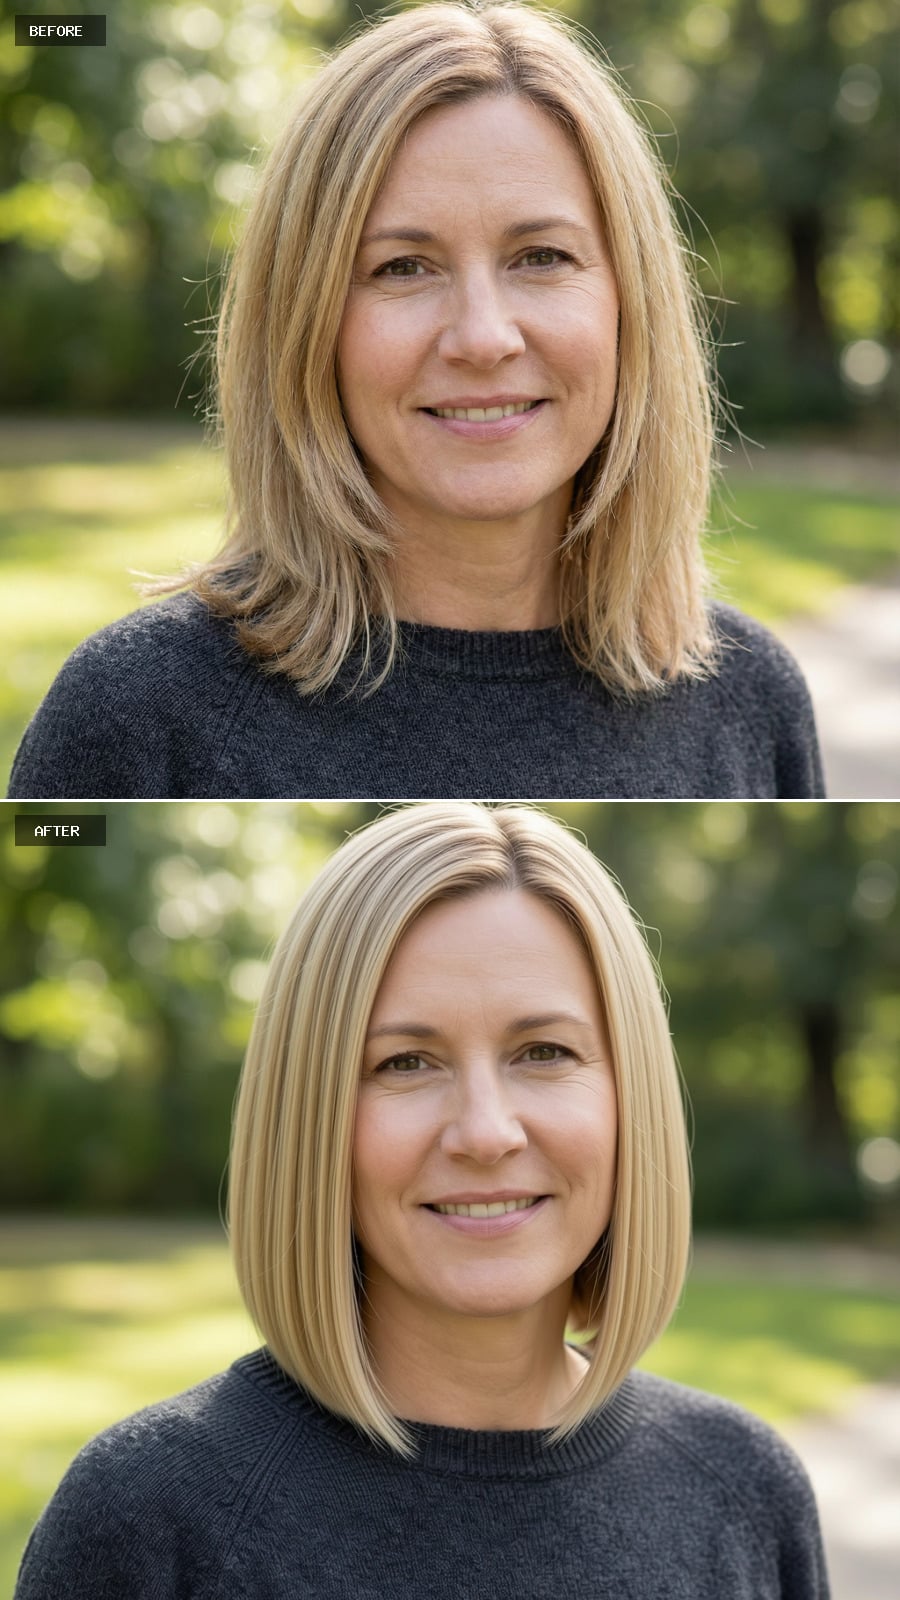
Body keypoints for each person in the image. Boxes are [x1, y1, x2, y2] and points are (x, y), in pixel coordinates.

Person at [8, 2, 822, 800]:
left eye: (540, 256)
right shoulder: (138, 718)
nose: (482, 336)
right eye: (402, 267)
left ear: (629, 303)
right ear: (304, 323)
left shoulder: (751, 703)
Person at [16, 802, 830, 1598]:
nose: (485, 1132)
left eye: (544, 1051)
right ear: (312, 1115)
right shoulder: (149, 1520)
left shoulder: (744, 1492)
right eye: (405, 1063)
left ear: (630, 1097)